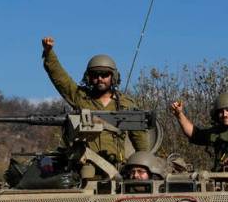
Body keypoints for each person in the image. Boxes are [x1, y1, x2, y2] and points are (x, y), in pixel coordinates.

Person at [42, 36, 149, 164]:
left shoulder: (126, 104)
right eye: (95, 75)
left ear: (113, 77)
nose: (100, 79)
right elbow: (61, 80)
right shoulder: (81, 97)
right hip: (84, 167)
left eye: (104, 75)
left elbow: (140, 141)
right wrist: (49, 53)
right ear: (89, 77)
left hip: (116, 168)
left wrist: (144, 165)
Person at [170, 92, 228, 171]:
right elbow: (195, 135)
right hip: (221, 179)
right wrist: (179, 115)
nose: (225, 114)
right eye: (221, 111)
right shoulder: (217, 131)